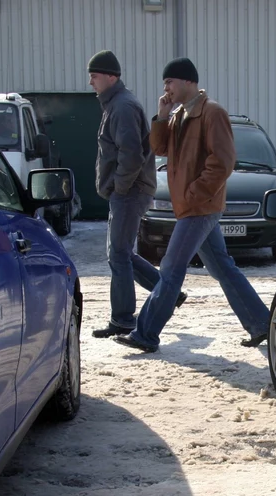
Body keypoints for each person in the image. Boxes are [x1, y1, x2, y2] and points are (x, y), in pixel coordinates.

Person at [114, 57, 270, 353]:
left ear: (187, 81)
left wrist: (195, 193)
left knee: (171, 268)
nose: (166, 88)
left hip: (200, 206)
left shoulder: (212, 113)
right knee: (223, 268)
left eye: (170, 82)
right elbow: (159, 148)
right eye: (165, 84)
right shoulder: (178, 115)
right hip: (192, 205)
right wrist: (161, 115)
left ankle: (145, 333)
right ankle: (261, 324)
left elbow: (223, 161)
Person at [87, 49, 186, 338]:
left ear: (111, 76)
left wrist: (119, 186)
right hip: (128, 190)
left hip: (130, 191)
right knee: (120, 253)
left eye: (94, 76)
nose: (91, 82)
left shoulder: (123, 107)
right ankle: (168, 292)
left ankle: (123, 320)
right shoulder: (115, 105)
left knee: (118, 254)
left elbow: (131, 154)